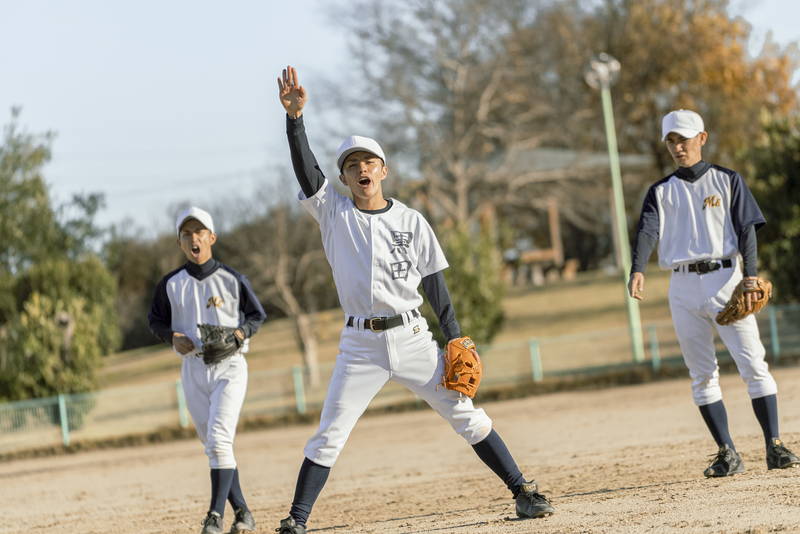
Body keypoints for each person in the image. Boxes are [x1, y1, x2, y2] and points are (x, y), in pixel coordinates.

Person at [271, 65, 555, 534]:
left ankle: (523, 491)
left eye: (369, 162)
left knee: (463, 413)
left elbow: (436, 286)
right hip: (359, 345)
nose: (361, 169)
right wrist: (295, 120)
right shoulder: (333, 214)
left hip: (413, 337)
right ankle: (297, 520)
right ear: (342, 177)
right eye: (351, 165)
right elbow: (306, 169)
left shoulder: (412, 220)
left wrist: (454, 337)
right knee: (330, 433)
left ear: (384, 170)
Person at [628, 109, 799, 478]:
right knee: (701, 373)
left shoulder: (727, 180)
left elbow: (747, 230)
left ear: (702, 138)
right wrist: (637, 269)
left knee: (753, 363)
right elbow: (647, 231)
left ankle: (775, 446)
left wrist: (750, 277)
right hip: (683, 286)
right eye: (671, 141)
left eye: (684, 139)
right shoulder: (661, 191)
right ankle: (727, 452)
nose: (678, 147)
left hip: (726, 279)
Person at [148, 206, 267, 534]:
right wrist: (171, 336)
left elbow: (256, 315)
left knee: (218, 439)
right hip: (193, 367)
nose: (194, 238)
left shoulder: (231, 279)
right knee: (215, 446)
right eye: (187, 234)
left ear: (211, 237)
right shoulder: (171, 284)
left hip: (229, 365)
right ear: (180, 243)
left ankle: (214, 516)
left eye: (200, 232)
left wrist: (240, 334)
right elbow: (154, 320)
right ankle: (243, 512)